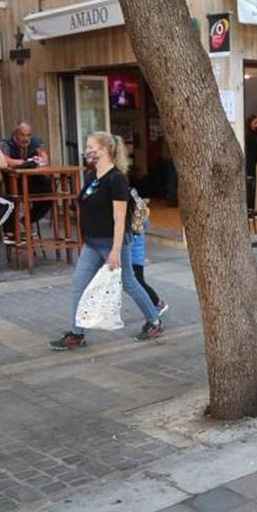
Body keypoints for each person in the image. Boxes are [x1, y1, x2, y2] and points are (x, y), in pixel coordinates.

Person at [50, 132, 164, 350]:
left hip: (113, 243)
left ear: (104, 150)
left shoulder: (116, 179)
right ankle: (77, 333)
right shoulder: (93, 176)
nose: (87, 150)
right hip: (92, 243)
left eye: (91, 146)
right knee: (79, 285)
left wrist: (115, 250)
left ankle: (154, 321)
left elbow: (119, 217)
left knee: (129, 283)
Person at [1, 121, 53, 228]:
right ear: (15, 134)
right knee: (10, 200)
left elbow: (45, 160)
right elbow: (4, 160)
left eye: (28, 135)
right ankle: (11, 232)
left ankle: (26, 221)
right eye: (22, 135)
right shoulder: (6, 142)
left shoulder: (36, 142)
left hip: (31, 179)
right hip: (13, 180)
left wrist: (40, 160)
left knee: (49, 195)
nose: (26, 139)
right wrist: (25, 162)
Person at [128, 188, 168, 316]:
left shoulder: (136, 221)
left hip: (134, 258)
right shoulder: (138, 217)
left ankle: (158, 303)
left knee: (139, 282)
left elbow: (133, 241)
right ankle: (157, 304)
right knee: (138, 282)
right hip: (135, 257)